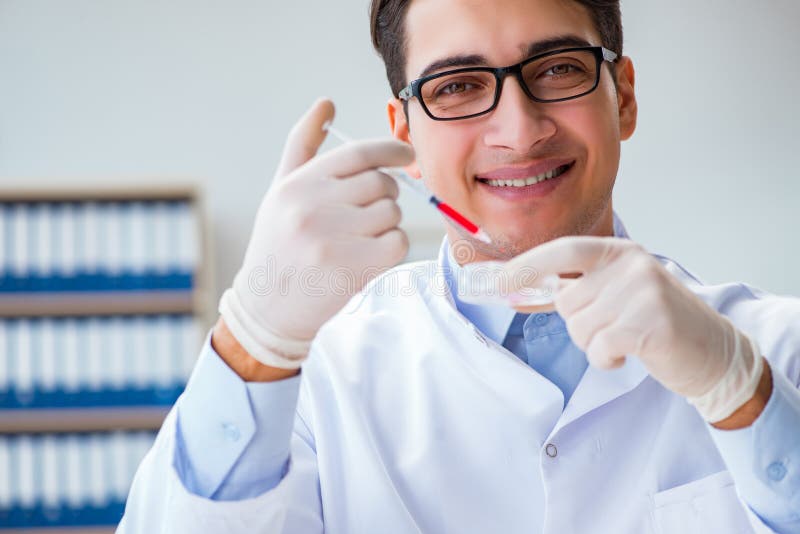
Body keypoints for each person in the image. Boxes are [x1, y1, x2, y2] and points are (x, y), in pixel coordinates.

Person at [118, 0, 800, 532]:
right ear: (404, 133)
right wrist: (250, 340)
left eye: (558, 68)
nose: (520, 129)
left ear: (621, 96)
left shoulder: (773, 351)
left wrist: (745, 397)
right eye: (459, 86)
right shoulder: (317, 380)